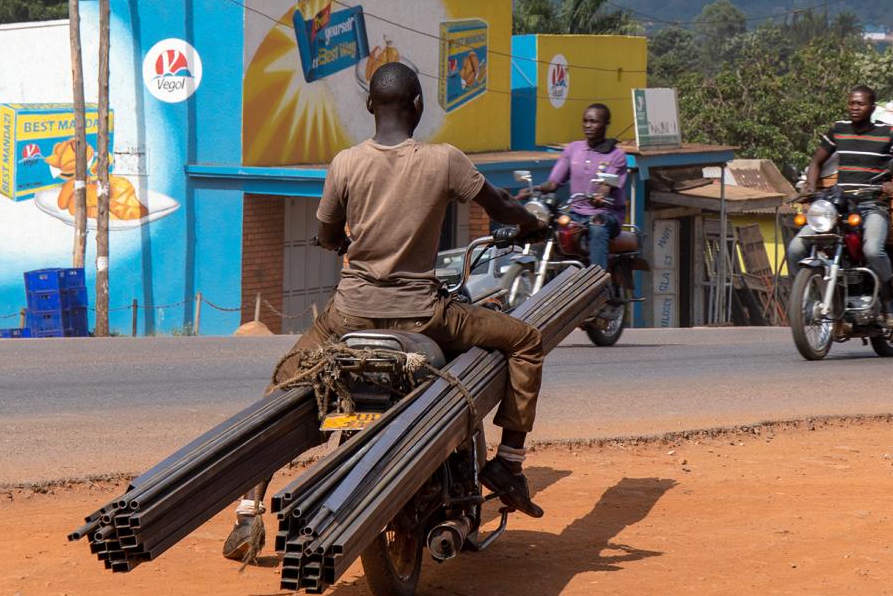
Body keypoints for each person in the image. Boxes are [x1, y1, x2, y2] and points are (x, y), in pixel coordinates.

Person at [223, 62, 550, 563]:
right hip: (424, 316)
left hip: (348, 316)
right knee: (525, 339)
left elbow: (329, 232)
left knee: (284, 384)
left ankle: (249, 509)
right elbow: (501, 204)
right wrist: (530, 225)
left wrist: (340, 242)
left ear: (370, 106)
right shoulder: (445, 161)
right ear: (418, 104)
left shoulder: (345, 164)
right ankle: (508, 462)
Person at [789, 85, 893, 292]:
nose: (854, 107)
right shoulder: (839, 129)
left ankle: (888, 293)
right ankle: (809, 294)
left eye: (860, 104)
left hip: (873, 205)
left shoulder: (887, 133)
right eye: (851, 103)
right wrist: (810, 186)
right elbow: (816, 162)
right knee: (795, 248)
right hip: (840, 206)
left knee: (873, 250)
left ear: (872, 108)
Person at [536, 102, 631, 270]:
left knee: (597, 226)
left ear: (606, 124)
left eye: (594, 122)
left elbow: (606, 185)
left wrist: (601, 196)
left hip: (606, 214)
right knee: (549, 224)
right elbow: (553, 183)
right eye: (586, 121)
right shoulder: (574, 149)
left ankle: (597, 281)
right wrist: (534, 189)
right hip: (576, 213)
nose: (588, 125)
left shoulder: (616, 155)